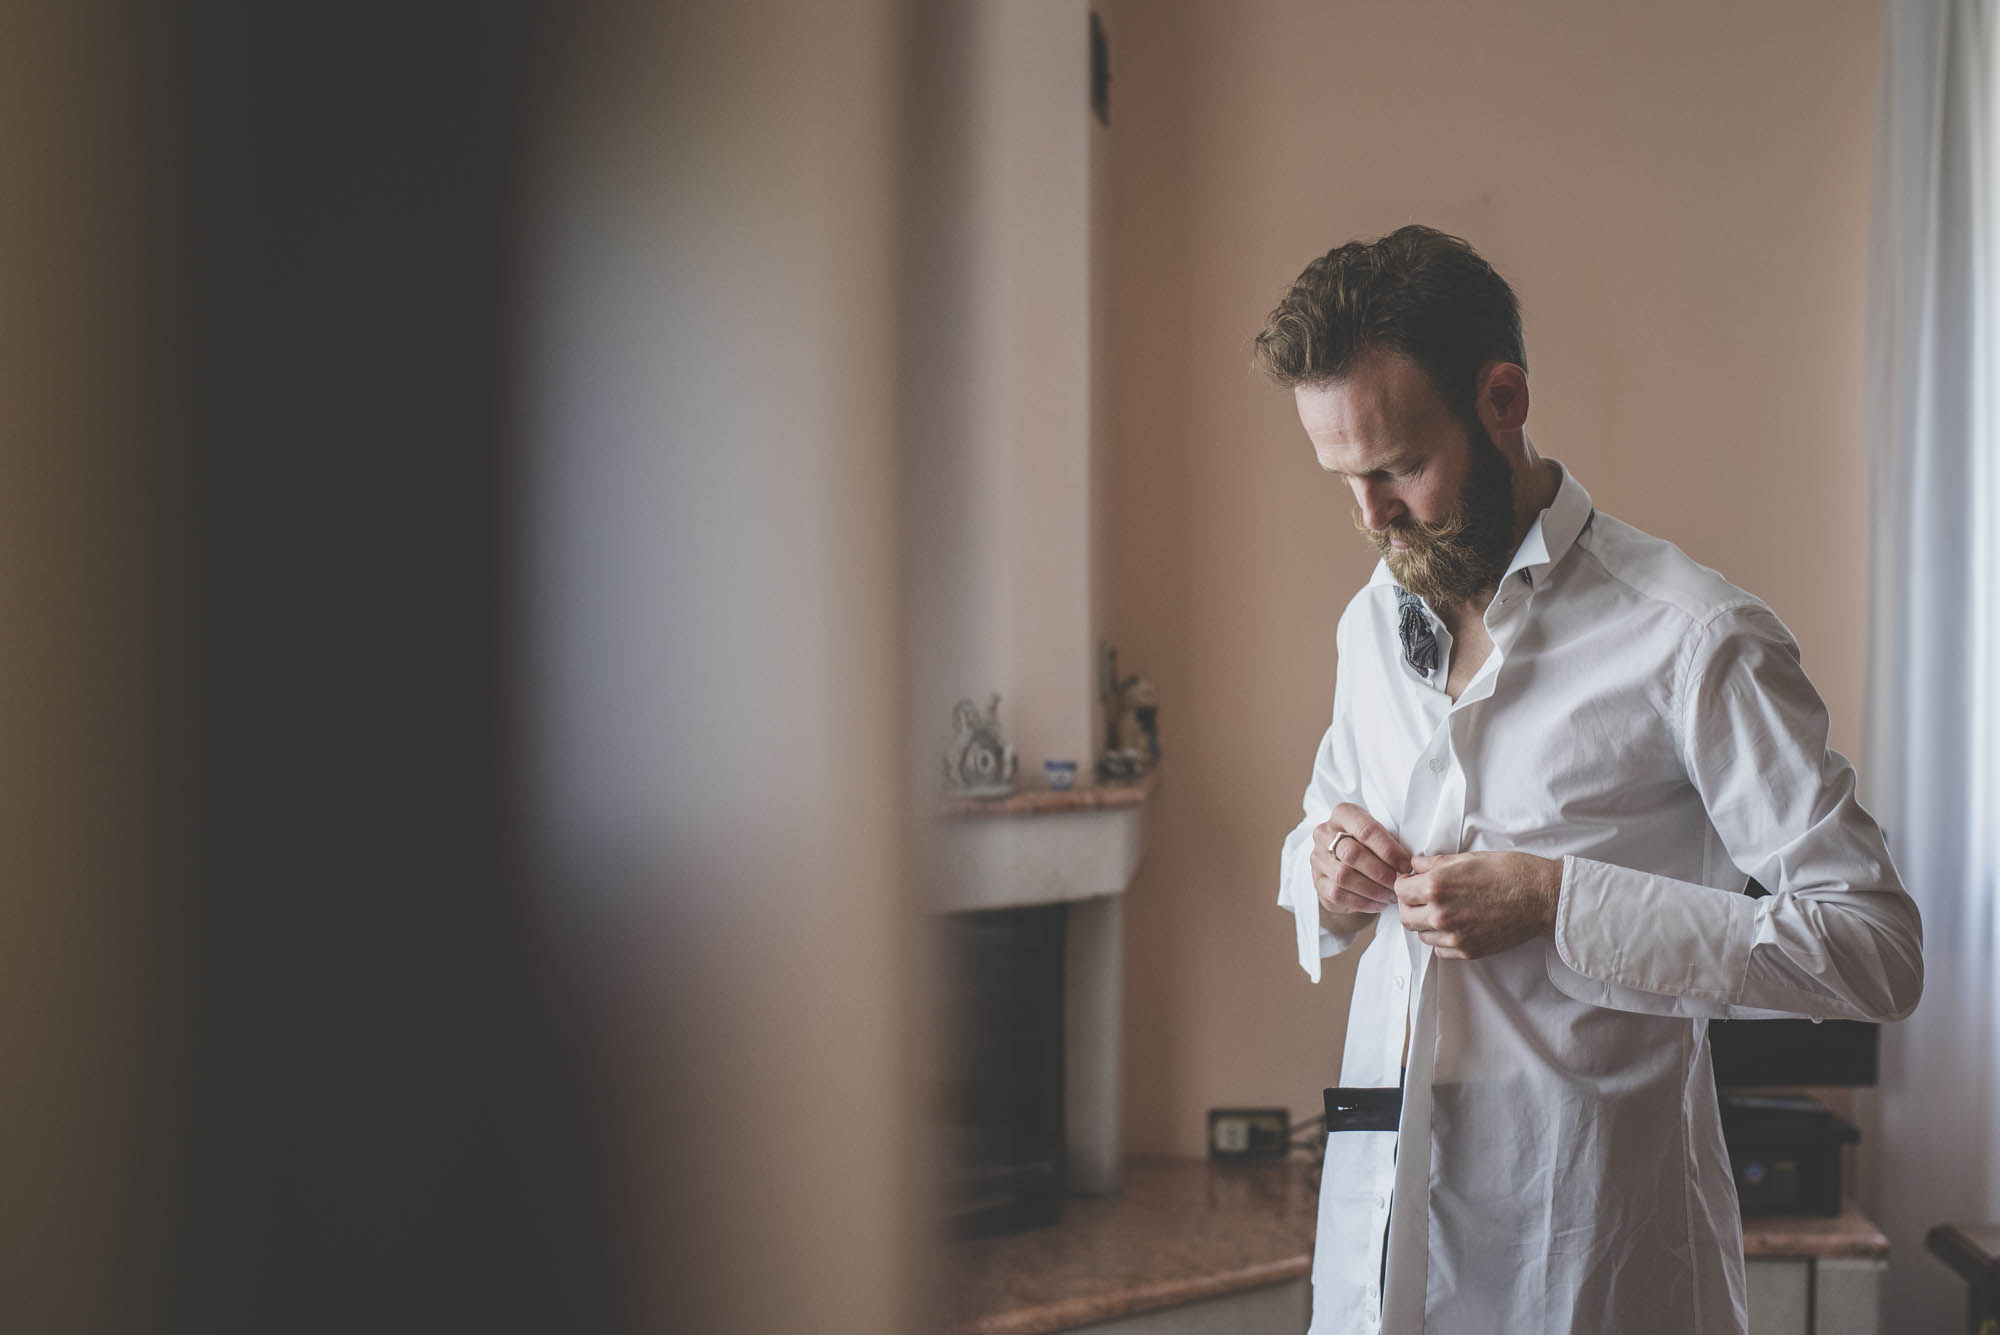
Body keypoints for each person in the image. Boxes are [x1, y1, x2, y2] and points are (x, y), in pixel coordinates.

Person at [1259, 225, 1923, 1335]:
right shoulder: (1370, 623)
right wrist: (1324, 872)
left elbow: (1872, 950)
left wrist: (1560, 903)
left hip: (1591, 1254)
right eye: (1345, 480)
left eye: (1397, 468)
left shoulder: (1691, 637)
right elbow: (1313, 839)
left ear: (1502, 399)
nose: (1370, 520)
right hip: (1379, 1246)